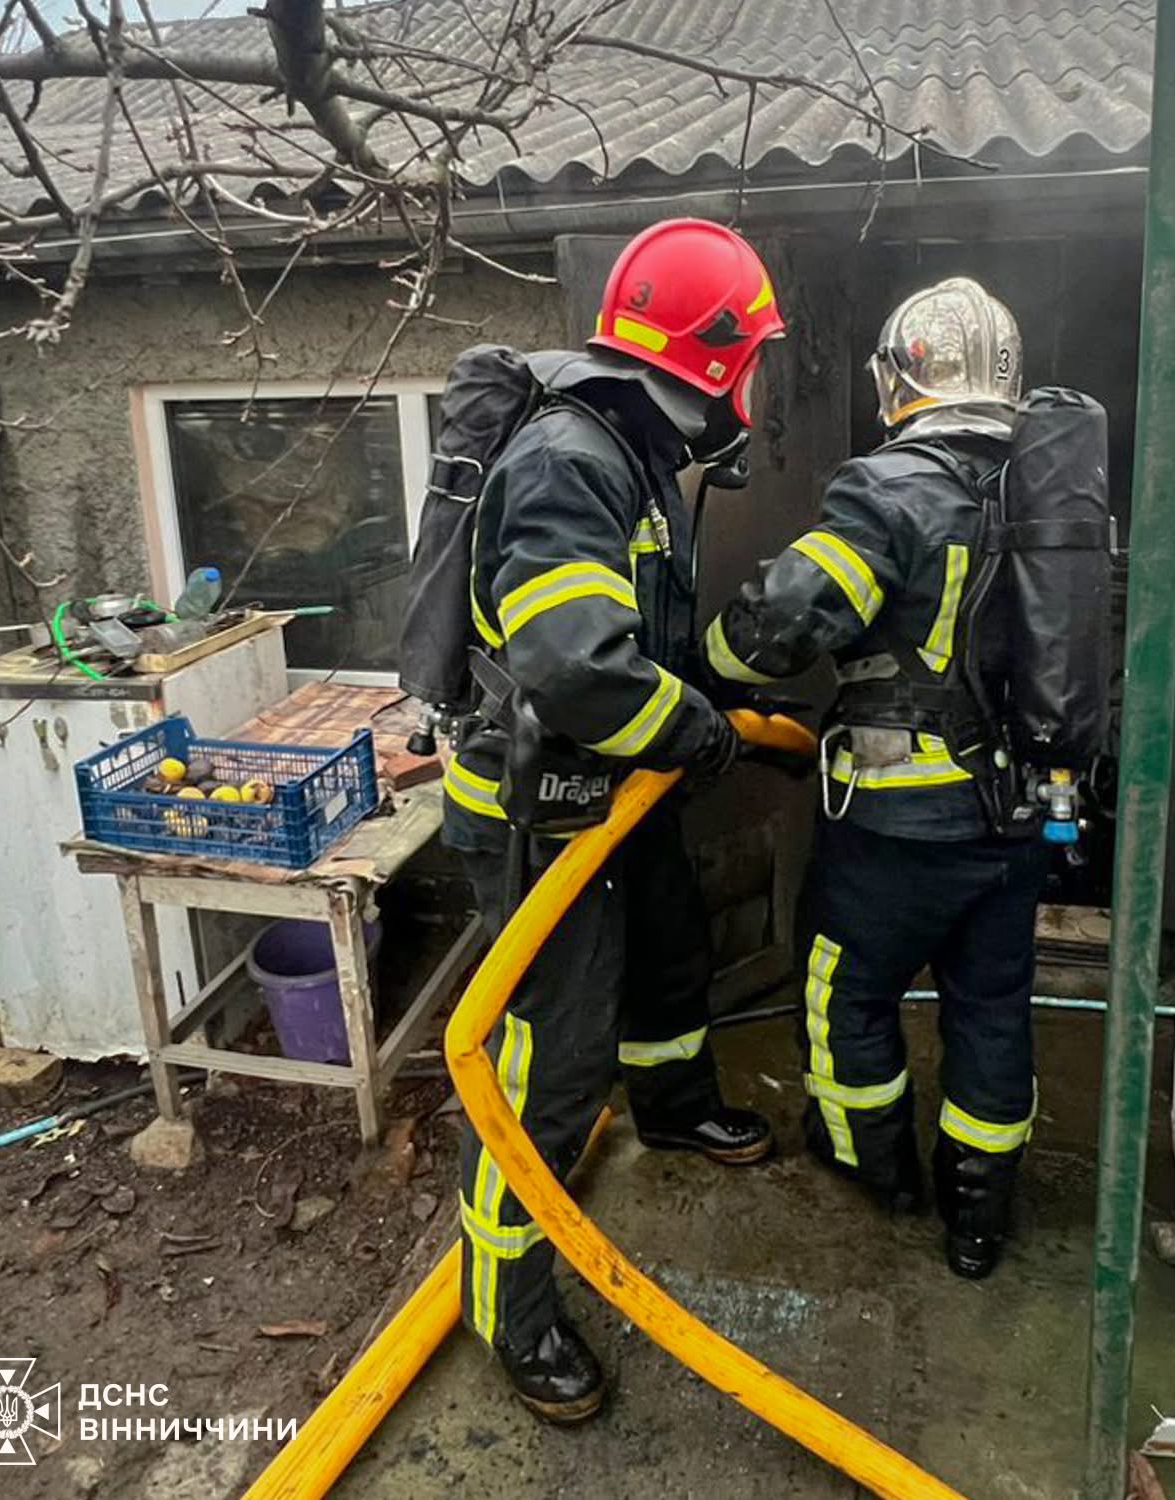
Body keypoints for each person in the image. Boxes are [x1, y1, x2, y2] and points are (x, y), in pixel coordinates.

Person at [443, 218, 784, 1422]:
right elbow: (576, 664)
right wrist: (698, 732)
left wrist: (700, 711)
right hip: (539, 815)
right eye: (753, 359)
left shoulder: (631, 454)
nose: (757, 384)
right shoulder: (568, 461)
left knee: (670, 956)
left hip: (607, 793)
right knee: (551, 1063)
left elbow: (629, 638)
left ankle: (675, 1111)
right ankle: (509, 1308)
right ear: (715, 357)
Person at [702, 277, 1050, 1281]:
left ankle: (874, 1171)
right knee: (993, 1008)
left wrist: (704, 671)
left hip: (896, 828)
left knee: (843, 996)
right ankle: (978, 1216)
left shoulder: (888, 490)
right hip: (1022, 816)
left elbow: (783, 621)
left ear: (900, 379)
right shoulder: (1051, 491)